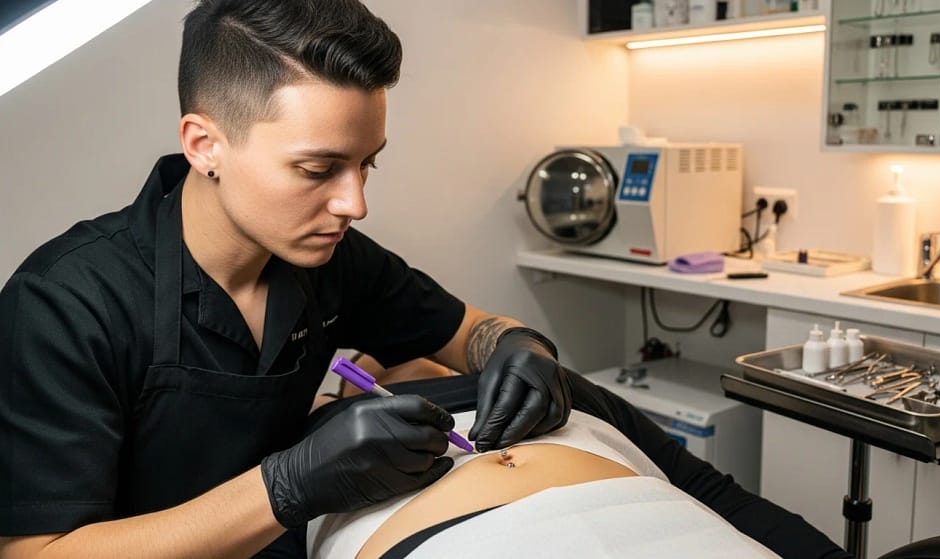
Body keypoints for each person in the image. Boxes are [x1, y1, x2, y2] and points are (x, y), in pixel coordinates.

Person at [0, 1, 572, 557]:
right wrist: (286, 485)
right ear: (205, 146)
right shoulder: (65, 303)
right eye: (318, 170)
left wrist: (521, 345)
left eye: (367, 163)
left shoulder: (330, 258)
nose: (355, 203)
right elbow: (38, 552)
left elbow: (469, 330)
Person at [304, 366, 853, 559]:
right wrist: (326, 412)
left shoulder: (555, 390)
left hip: (676, 530)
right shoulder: (316, 439)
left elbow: (717, 494)